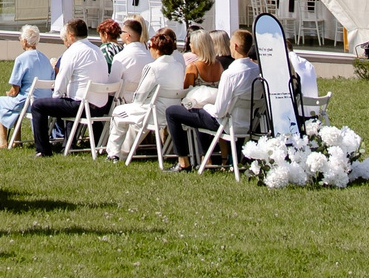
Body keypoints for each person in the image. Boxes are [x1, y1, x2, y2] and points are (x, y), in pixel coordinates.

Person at [161, 27, 266, 169]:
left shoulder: (231, 74)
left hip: (226, 123)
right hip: (248, 123)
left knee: (172, 112)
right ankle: (206, 158)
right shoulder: (258, 71)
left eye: (230, 44)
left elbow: (219, 112)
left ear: (235, 46)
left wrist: (205, 106)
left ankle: (183, 162)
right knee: (198, 112)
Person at [27, 18, 108, 156]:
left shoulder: (72, 52)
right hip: (101, 106)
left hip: (82, 106)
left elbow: (61, 81)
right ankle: (68, 143)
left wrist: (56, 98)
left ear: (70, 35)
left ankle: (43, 150)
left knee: (38, 105)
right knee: (69, 99)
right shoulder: (97, 50)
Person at [107, 26, 183, 160]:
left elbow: (140, 96)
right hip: (171, 112)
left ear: (157, 49)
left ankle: (113, 153)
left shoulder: (152, 67)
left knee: (118, 112)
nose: (149, 49)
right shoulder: (178, 66)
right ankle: (122, 153)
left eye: (151, 46)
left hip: (153, 113)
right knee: (131, 117)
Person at [0, 26, 53, 149]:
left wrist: (10, 93)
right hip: (46, 100)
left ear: (25, 41)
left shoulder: (21, 59)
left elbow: (15, 88)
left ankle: (3, 141)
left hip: (29, 101)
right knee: (14, 103)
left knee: (0, 101)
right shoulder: (45, 59)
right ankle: (16, 139)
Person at [108, 17, 153, 94]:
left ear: (127, 36)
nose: (119, 34)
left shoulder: (121, 57)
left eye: (121, 32)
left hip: (123, 99)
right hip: (145, 98)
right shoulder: (151, 56)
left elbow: (111, 88)